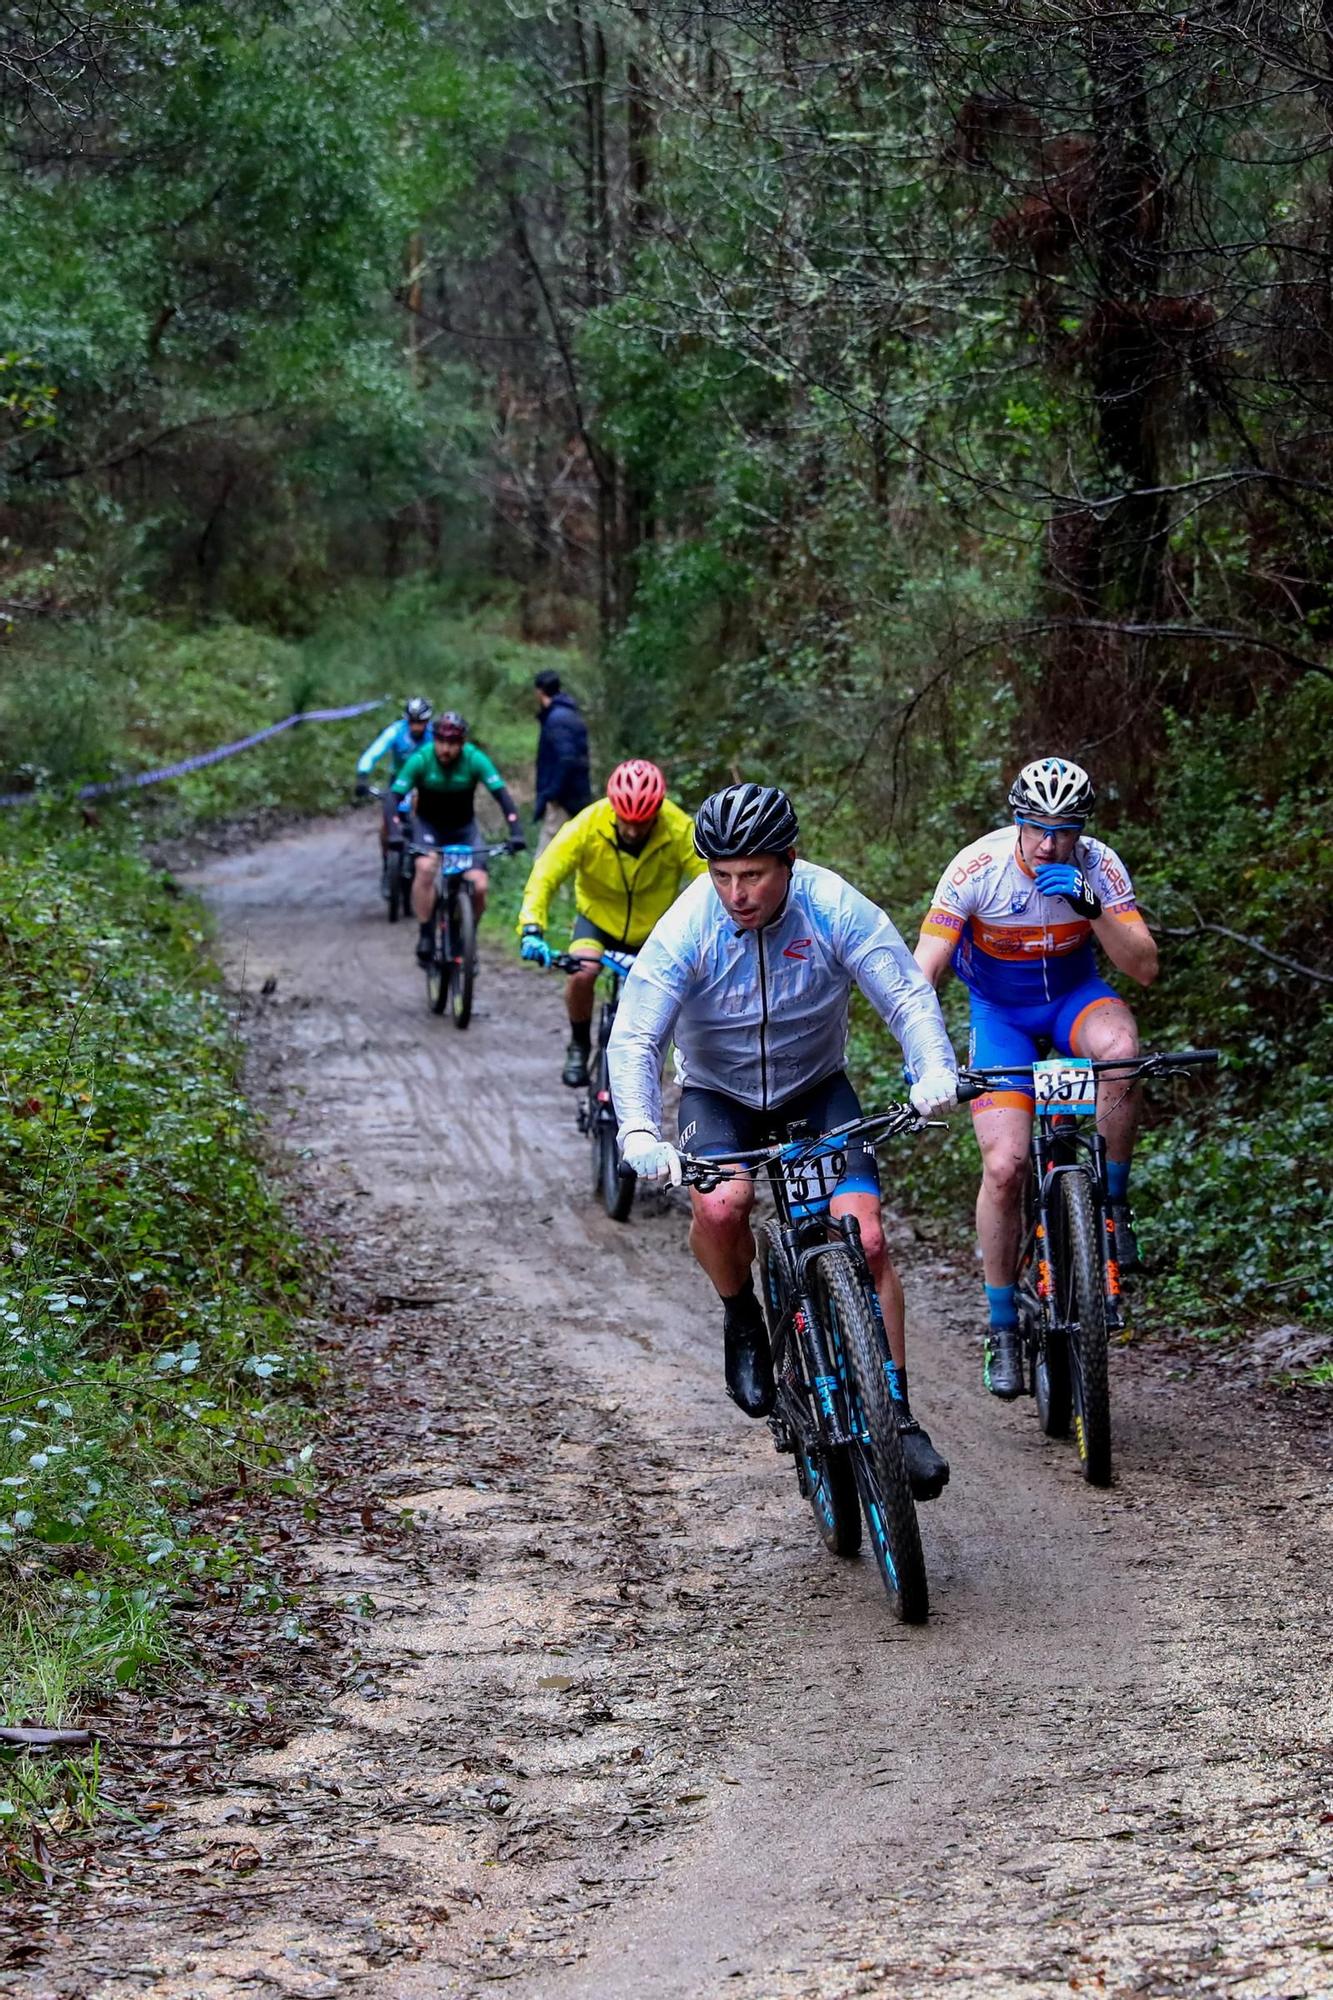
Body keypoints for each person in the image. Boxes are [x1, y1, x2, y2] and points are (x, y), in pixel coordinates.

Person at [605, 782, 959, 1500]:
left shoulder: (832, 906)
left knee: (865, 1240)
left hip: (815, 1087)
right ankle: (742, 1317)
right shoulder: (688, 926)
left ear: (789, 862)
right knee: (721, 1207)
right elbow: (636, 1036)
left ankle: (895, 1414)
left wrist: (933, 1070)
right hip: (719, 1094)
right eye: (723, 875)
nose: (737, 893)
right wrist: (640, 1129)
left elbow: (905, 995)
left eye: (754, 875)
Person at [912, 756, 1159, 1400]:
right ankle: (1002, 1327)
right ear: (1016, 821)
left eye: (1065, 830)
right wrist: (926, 1059)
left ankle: (1112, 1205)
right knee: (1005, 1167)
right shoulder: (977, 869)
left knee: (1122, 1051)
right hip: (1001, 1016)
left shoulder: (1098, 866)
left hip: (1075, 999)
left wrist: (1093, 907)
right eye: (1037, 828)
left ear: (1081, 829)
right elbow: (924, 972)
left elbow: (1144, 968)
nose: (1051, 843)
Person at [517, 759, 706, 1085]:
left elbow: (709, 881)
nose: (632, 830)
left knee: (665, 1002)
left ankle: (653, 1069)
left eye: (642, 822)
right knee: (582, 974)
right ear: (613, 808)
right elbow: (546, 873)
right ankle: (579, 1043)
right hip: (597, 923)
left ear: (657, 811)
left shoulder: (678, 828)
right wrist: (532, 926)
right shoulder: (587, 825)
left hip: (653, 931)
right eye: (626, 821)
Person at [392, 713, 526, 964]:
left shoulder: (474, 759)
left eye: (453, 743)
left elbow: (502, 797)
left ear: (462, 743)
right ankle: (425, 934)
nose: (446, 749)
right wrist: (395, 831)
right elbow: (394, 796)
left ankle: (467, 935)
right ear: (435, 740)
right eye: (441, 742)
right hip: (428, 827)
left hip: (464, 829)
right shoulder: (422, 759)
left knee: (480, 885)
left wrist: (516, 831)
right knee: (425, 867)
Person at [353, 698, 433, 858]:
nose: (416, 727)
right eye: (412, 722)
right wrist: (363, 774)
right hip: (398, 779)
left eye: (421, 722)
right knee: (387, 822)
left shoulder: (435, 734)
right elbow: (374, 752)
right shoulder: (396, 731)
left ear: (427, 721)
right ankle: (386, 863)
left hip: (424, 780)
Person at [533, 671, 592, 855]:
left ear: (540, 692)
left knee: (543, 861)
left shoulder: (557, 719)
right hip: (575, 796)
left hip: (563, 801)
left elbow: (566, 758)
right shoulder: (569, 714)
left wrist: (551, 794)